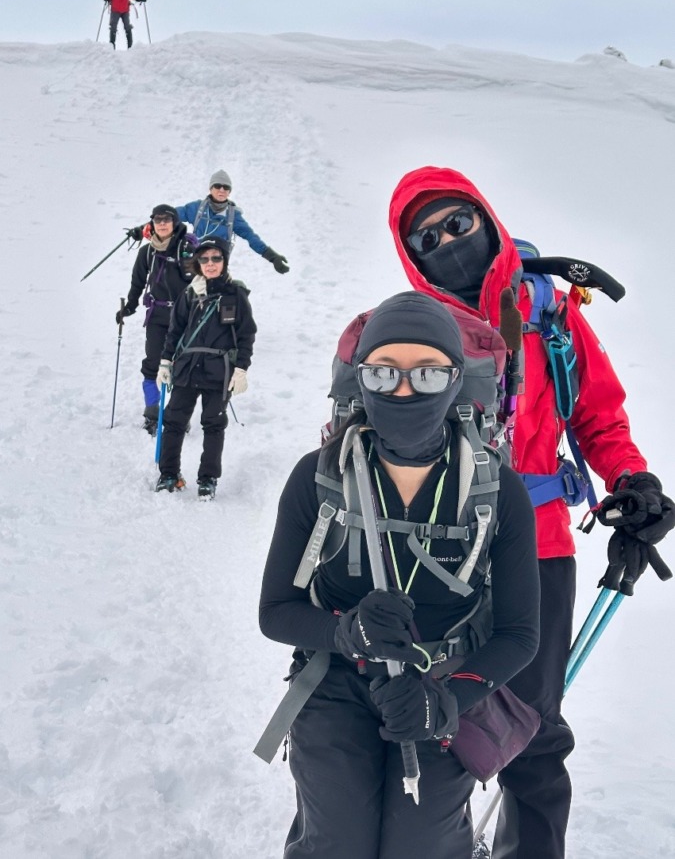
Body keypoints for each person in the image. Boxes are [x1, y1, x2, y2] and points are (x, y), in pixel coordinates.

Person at [387, 166, 675, 858]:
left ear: (484, 217)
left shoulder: (547, 310)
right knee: (432, 713)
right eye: (424, 237)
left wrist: (630, 478)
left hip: (539, 549)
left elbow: (597, 414)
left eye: (457, 222)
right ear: (408, 255)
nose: (446, 241)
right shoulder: (411, 331)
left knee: (535, 729)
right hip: (436, 554)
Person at [259, 291, 540, 859]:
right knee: (338, 841)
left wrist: (450, 701)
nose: (405, 390)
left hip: (443, 685)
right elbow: (275, 612)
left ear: (456, 380)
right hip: (333, 682)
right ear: (360, 381)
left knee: (423, 847)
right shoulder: (317, 478)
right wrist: (344, 632)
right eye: (384, 373)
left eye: (428, 374)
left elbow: (519, 633)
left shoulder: (498, 491)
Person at [154, 236, 256, 499]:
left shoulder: (236, 294)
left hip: (218, 371)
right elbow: (174, 332)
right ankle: (168, 474)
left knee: (213, 425)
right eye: (204, 259)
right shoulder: (189, 294)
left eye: (216, 258)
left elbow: (246, 335)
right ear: (198, 263)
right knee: (174, 422)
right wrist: (165, 363)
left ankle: (208, 479)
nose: (210, 263)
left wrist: (241, 368)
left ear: (224, 261)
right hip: (187, 368)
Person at [115, 204, 197, 434]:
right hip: (157, 316)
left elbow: (200, 281)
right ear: (152, 223)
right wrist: (129, 307)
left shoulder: (187, 248)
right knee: (152, 364)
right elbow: (137, 283)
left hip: (185, 317)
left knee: (183, 366)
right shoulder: (147, 252)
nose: (162, 223)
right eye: (157, 220)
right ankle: (153, 413)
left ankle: (179, 415)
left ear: (175, 223)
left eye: (167, 219)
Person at [174, 170, 290, 275]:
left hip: (218, 265)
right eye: (217, 186)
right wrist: (157, 221)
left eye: (226, 187)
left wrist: (272, 257)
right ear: (210, 188)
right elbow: (171, 216)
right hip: (197, 261)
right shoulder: (197, 208)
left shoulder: (233, 215)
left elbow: (250, 236)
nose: (222, 190)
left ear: (229, 192)